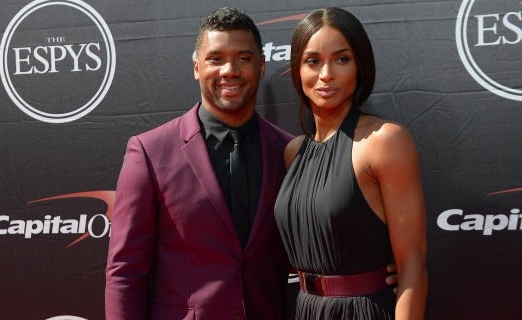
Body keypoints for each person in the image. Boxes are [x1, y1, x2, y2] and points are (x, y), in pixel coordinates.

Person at [105, 7, 294, 320]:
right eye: (215, 58)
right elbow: (125, 274)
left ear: (261, 66)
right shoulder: (150, 153)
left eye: (244, 58)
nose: (229, 70)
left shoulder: (288, 151)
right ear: (196, 67)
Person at [274, 7, 428, 320]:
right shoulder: (294, 152)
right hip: (306, 309)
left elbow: (413, 266)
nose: (326, 73)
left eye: (341, 59)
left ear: (360, 66)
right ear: (297, 70)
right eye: (313, 61)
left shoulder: (385, 141)